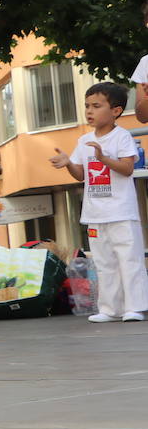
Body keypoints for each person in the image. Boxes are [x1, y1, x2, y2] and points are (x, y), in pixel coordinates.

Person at [50, 83, 148, 323]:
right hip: (95, 213)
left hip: (122, 212)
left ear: (115, 111)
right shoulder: (84, 140)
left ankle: (135, 307)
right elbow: (80, 175)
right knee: (104, 262)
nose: (89, 111)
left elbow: (126, 169)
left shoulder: (121, 136)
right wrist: (68, 163)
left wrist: (103, 158)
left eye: (96, 106)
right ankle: (109, 309)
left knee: (129, 260)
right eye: (87, 106)